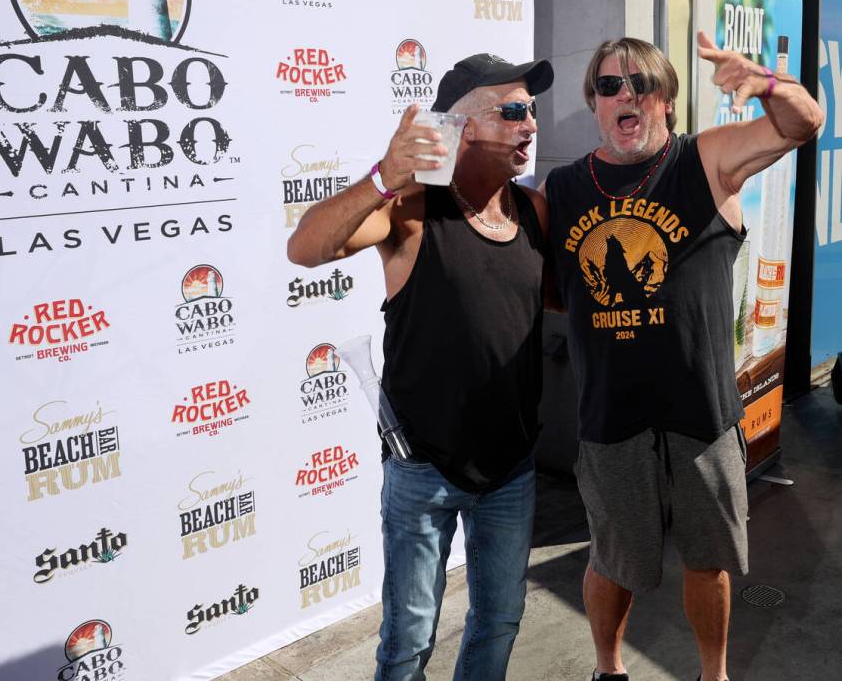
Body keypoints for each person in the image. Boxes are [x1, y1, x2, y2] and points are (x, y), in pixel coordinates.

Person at [540, 33, 823, 681]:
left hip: (700, 412)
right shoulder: (562, 188)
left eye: (642, 84)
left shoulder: (706, 160)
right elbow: (556, 289)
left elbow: (804, 123)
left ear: (666, 99)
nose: (626, 96)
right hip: (610, 416)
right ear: (593, 103)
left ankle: (712, 674)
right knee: (612, 557)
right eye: (610, 86)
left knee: (707, 557)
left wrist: (768, 84)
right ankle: (607, 668)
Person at [288, 52, 554, 681]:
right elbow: (306, 247)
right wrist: (381, 176)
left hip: (510, 468)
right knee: (407, 639)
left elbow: (557, 299)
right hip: (422, 469)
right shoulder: (409, 210)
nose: (531, 126)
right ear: (460, 125)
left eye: (533, 112)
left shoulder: (535, 212)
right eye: (513, 112)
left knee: (500, 621)